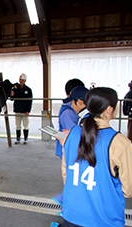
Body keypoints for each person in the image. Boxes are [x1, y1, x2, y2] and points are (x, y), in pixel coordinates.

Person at [60, 87, 132, 227]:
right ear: (110, 109)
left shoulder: (71, 135)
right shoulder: (119, 143)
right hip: (104, 220)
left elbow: (66, 175)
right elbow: (131, 188)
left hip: (71, 215)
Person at [52, 79, 84, 209]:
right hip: (69, 150)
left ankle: (67, 201)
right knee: (71, 177)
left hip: (69, 149)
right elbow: (72, 135)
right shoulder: (69, 111)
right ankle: (67, 204)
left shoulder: (71, 109)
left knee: (71, 177)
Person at [11, 73, 33, 144]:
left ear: (25, 81)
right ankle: (18, 139)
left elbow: (30, 101)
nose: (21, 81)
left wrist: (28, 110)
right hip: (17, 109)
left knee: (25, 125)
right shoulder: (15, 88)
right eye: (20, 80)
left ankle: (26, 139)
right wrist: (12, 95)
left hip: (24, 110)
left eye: (22, 80)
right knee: (18, 125)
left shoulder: (28, 90)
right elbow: (12, 98)